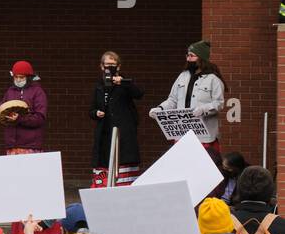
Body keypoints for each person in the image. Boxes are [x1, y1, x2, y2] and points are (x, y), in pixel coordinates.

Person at [150, 40, 226, 163]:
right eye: (188, 55)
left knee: (203, 166)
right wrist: (160, 109)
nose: (188, 59)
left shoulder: (213, 79)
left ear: (201, 58)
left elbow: (219, 103)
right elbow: (173, 99)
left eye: (192, 56)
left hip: (204, 136)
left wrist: (203, 109)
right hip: (182, 133)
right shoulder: (182, 76)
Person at [91, 50, 144, 188]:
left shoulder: (125, 82)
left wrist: (124, 83)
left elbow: (139, 94)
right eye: (107, 64)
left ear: (118, 66)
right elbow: (91, 109)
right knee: (104, 161)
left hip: (123, 132)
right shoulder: (98, 86)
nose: (110, 67)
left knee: (123, 160)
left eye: (113, 64)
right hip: (105, 131)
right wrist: (96, 113)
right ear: (102, 66)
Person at [0, 60, 47, 155]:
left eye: (21, 77)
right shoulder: (10, 91)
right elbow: (1, 109)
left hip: (31, 146)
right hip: (12, 146)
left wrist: (20, 119)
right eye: (16, 77)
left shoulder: (38, 92)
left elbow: (40, 118)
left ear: (29, 77)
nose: (18, 80)